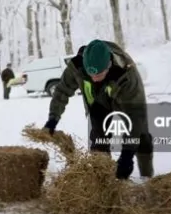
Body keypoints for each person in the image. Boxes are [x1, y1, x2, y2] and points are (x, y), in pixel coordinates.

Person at [42, 39, 154, 180]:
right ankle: (102, 178)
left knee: (141, 136)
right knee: (99, 140)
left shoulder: (127, 74)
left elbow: (136, 116)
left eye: (99, 75)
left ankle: (147, 177)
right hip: (98, 102)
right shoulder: (76, 66)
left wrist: (127, 155)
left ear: (109, 65)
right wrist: (53, 118)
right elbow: (61, 91)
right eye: (91, 75)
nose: (94, 79)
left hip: (123, 100)